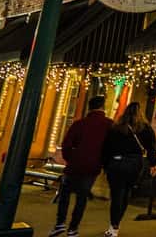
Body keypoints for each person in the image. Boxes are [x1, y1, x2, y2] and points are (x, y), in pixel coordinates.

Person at [51, 95, 112, 237]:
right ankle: (73, 228)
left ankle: (60, 223)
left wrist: (71, 158)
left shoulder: (79, 124)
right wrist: (103, 162)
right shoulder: (109, 125)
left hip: (74, 165)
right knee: (82, 197)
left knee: (65, 194)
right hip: (93, 166)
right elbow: (110, 147)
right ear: (103, 107)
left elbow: (67, 145)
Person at [100, 102, 156, 237]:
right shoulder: (146, 129)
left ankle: (113, 226)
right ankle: (116, 225)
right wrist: (154, 164)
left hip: (116, 164)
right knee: (126, 193)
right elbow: (151, 148)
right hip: (134, 165)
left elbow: (106, 148)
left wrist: (105, 165)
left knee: (116, 196)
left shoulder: (116, 128)